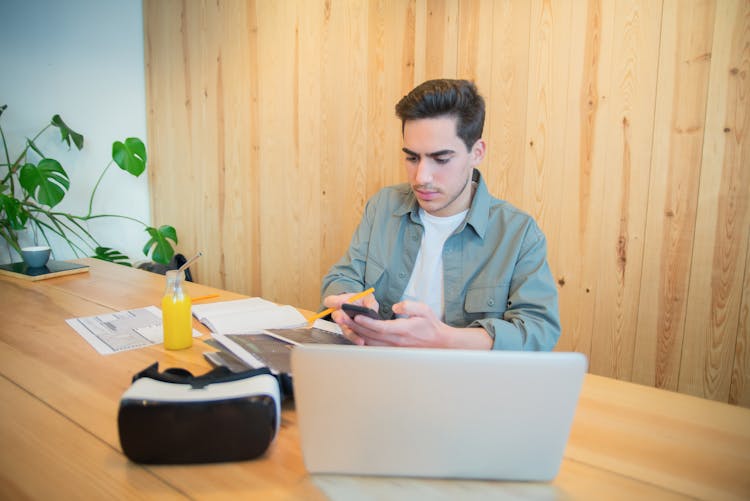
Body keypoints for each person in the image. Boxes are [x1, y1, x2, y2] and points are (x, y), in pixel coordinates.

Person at [320, 79, 560, 350]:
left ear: (477, 153)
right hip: (378, 370)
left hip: (464, 384)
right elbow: (343, 276)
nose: (421, 177)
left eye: (441, 159)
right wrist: (348, 304)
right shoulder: (383, 206)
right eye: (412, 158)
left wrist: (443, 338)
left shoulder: (519, 233)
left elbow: (539, 330)